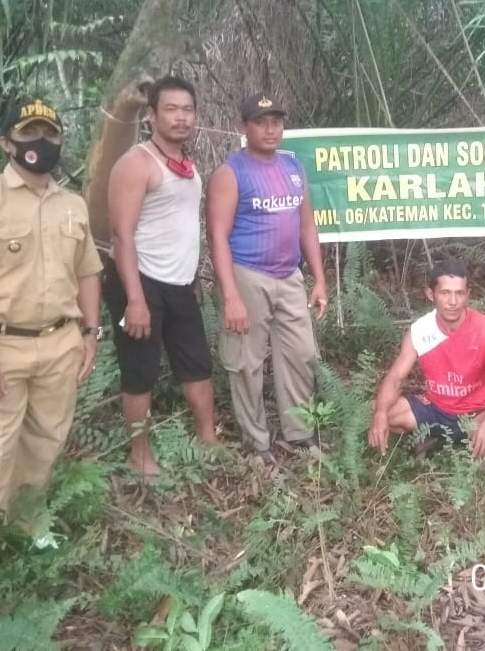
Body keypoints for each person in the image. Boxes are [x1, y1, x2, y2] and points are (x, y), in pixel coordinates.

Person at [0, 99, 102, 557]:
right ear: (6, 142)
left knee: (43, 446)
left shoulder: (72, 205)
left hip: (60, 345)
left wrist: (90, 334)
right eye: (29, 134)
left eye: (50, 135)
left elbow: (88, 272)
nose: (41, 144)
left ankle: (28, 525)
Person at [206, 91, 327, 469]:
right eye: (261, 122)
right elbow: (217, 237)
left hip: (289, 275)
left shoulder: (293, 168)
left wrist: (319, 279)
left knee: (302, 354)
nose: (270, 129)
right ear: (245, 128)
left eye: (276, 121)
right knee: (246, 361)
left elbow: (307, 224)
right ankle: (257, 442)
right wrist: (230, 296)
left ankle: (299, 433)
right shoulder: (231, 173)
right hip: (247, 274)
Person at [105, 75, 219, 476]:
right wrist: (135, 300)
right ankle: (141, 455)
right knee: (140, 371)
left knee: (197, 363)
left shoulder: (187, 164)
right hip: (139, 280)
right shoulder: (137, 163)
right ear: (152, 115)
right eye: (171, 109)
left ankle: (208, 439)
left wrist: (191, 277)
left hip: (180, 283)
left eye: (187, 110)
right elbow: (121, 235)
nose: (181, 118)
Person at [368, 260, 485, 459]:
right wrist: (380, 414)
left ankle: (469, 440)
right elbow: (394, 377)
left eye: (459, 293)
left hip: (476, 413)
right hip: (436, 409)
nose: (453, 302)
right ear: (431, 294)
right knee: (384, 412)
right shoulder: (420, 331)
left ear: (468, 295)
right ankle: (440, 437)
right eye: (445, 293)